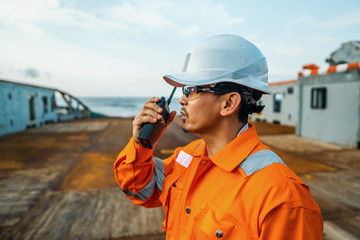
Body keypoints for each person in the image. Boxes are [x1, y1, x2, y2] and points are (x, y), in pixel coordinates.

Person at [114, 34, 323, 239]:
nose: (182, 100)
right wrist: (143, 144)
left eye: (192, 90)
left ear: (228, 104)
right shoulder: (186, 157)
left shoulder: (283, 199)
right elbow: (139, 189)